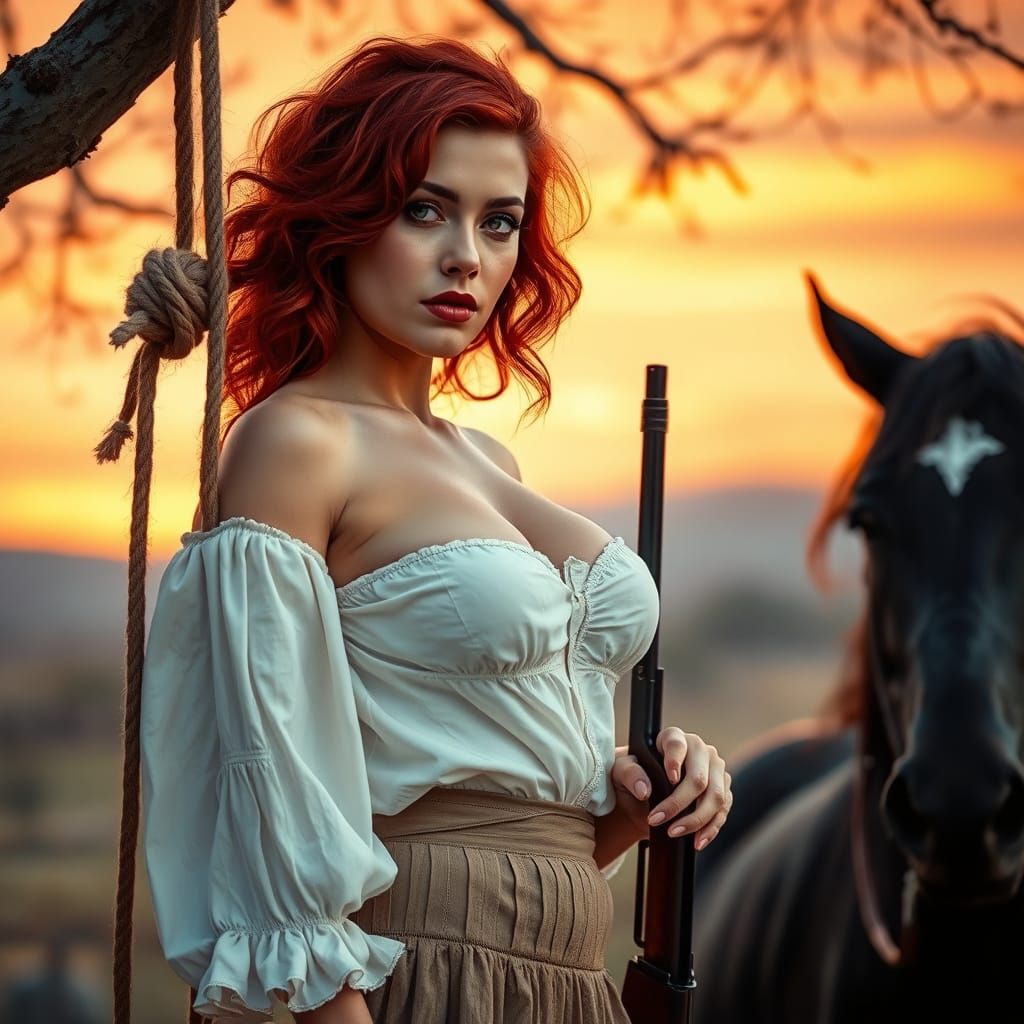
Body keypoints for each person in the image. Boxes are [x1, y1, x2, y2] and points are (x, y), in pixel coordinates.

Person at [139, 34, 733, 1024]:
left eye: (499, 222)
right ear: (344, 216)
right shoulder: (295, 442)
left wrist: (637, 804)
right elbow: (268, 799)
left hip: (565, 976)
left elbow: (501, 814)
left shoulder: (489, 461)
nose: (467, 255)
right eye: (425, 210)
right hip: (399, 977)